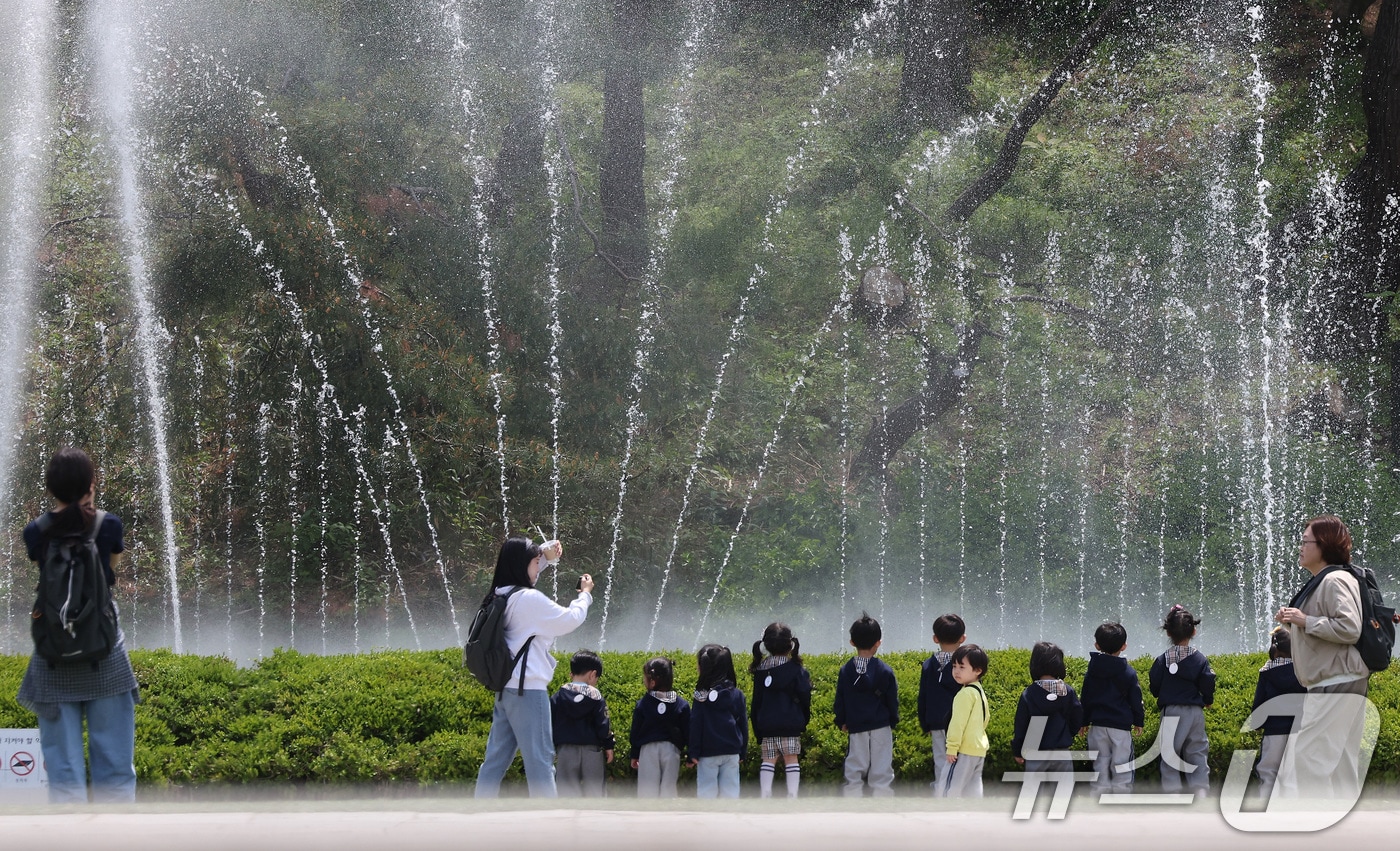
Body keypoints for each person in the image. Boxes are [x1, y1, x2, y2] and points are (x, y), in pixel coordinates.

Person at [16, 447, 137, 804]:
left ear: (50, 488)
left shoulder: (34, 533)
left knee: (64, 775)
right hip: (105, 655)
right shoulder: (109, 525)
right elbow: (110, 573)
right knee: (115, 772)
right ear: (90, 484)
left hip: (52, 659)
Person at [474, 535, 593, 798]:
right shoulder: (528, 599)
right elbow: (569, 619)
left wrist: (546, 556)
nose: (537, 566)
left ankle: (478, 815)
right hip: (528, 691)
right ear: (522, 564)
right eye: (534, 561)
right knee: (540, 762)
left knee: (494, 762)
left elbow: (526, 569)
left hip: (506, 690)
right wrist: (585, 596)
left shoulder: (500, 593)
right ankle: (548, 823)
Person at [1274, 514, 1370, 801]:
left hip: (1336, 680)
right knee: (1341, 764)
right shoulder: (1324, 580)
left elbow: (1349, 628)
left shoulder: (1335, 579)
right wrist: (1294, 621)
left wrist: (1304, 619)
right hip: (1340, 679)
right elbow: (1325, 628)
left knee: (1307, 759)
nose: (1301, 547)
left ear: (1324, 544)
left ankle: (1311, 826)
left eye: (1306, 541)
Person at [1148, 605, 1215, 798]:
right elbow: (1207, 680)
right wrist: (1207, 699)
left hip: (1171, 711)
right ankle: (1201, 791)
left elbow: (1155, 682)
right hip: (1195, 712)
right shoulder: (1199, 658)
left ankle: (1173, 794)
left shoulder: (1163, 660)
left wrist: (1157, 692)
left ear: (1167, 632)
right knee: (1197, 751)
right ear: (1194, 631)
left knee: (1170, 754)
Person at [833, 613, 899, 797]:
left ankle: (852, 794)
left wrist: (841, 720)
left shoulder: (846, 670)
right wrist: (892, 720)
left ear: (852, 642)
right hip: (881, 724)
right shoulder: (885, 670)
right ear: (878, 642)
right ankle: (882, 795)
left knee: (855, 763)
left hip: (856, 725)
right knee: (882, 764)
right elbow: (892, 699)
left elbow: (841, 698)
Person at [1079, 621, 1144, 796]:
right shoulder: (1128, 672)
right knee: (1122, 764)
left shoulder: (1092, 671)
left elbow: (1085, 697)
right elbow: (1135, 699)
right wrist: (1139, 720)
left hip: (1097, 726)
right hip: (1120, 728)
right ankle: (1121, 796)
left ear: (1097, 645)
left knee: (1100, 763)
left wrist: (1083, 721)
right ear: (1124, 646)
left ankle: (1099, 793)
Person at [749, 622, 812, 798]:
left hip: (767, 725)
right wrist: (803, 720)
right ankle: (792, 796)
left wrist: (757, 728)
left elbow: (756, 703)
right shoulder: (796, 669)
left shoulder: (760, 670)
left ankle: (765, 795)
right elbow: (805, 697)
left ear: (766, 645)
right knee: (791, 759)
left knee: (768, 761)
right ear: (790, 644)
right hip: (790, 723)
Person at [550, 650, 615, 797]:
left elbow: (550, 723)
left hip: (565, 750)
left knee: (567, 793)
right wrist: (609, 745)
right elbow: (603, 724)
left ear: (571, 673)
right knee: (595, 793)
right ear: (592, 674)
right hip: (591, 751)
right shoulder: (596, 696)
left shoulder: (558, 697)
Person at [1011, 641, 1083, 774]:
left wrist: (1017, 750)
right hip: (1061, 750)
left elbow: (1021, 724)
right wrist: (1067, 734)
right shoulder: (1067, 692)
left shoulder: (1030, 693)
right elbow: (1077, 718)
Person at [1250, 627, 1305, 800]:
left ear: (1274, 648)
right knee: (1291, 772)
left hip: (1273, 730)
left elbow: (1260, 701)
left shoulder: (1266, 673)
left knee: (1268, 771)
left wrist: (1257, 723)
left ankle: (1267, 803)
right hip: (1297, 730)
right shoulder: (1303, 672)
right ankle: (1290, 808)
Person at [688, 644, 747, 798]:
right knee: (731, 793)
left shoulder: (701, 696)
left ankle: (708, 821)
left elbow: (696, 724)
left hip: (708, 752)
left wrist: (693, 751)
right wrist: (743, 751)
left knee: (707, 793)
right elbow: (743, 725)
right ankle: (728, 820)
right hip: (732, 750)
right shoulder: (737, 694)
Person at [917, 613, 965, 796]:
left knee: (941, 760)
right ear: (962, 638)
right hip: (960, 724)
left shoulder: (929, 665)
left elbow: (924, 696)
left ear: (935, 638)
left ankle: (941, 794)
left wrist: (925, 722)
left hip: (936, 721)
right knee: (960, 760)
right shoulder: (966, 664)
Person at [629, 657, 689, 798]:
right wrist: (690, 752)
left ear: (652, 682)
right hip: (671, 749)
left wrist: (634, 754)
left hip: (648, 749)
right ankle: (667, 816)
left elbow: (636, 731)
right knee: (668, 787)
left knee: (647, 788)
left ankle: (648, 816)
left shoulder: (643, 704)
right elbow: (688, 731)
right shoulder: (681, 704)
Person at [943, 643, 990, 798]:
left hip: (963, 750)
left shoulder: (964, 694)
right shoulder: (978, 690)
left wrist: (951, 747)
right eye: (954, 666)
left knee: (950, 787)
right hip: (978, 749)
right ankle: (974, 817)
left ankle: (946, 816)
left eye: (962, 667)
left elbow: (957, 723)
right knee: (973, 788)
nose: (956, 671)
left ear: (978, 670)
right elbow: (986, 718)